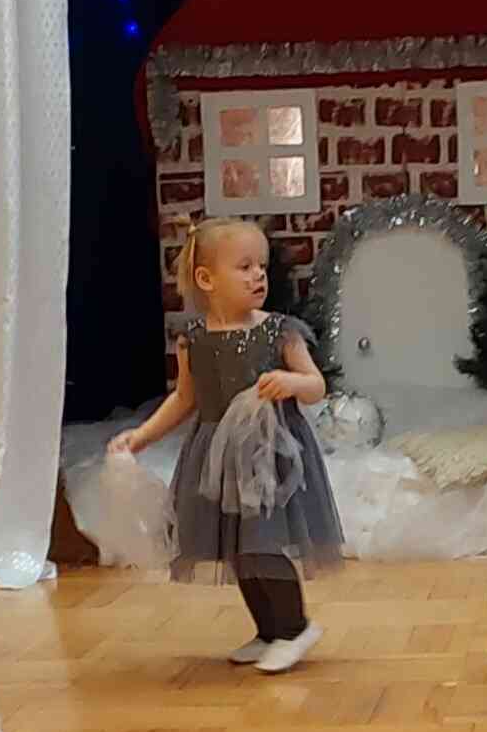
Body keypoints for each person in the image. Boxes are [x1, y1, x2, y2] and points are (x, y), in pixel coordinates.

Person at [109, 217, 344, 674]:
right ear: (206, 279)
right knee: (239, 548)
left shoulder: (280, 331)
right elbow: (185, 399)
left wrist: (292, 381)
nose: (259, 276)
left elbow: (317, 386)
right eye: (245, 266)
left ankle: (295, 627)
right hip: (217, 455)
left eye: (262, 266)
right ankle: (268, 630)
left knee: (265, 544)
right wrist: (142, 436)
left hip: (270, 454)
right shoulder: (194, 339)